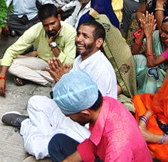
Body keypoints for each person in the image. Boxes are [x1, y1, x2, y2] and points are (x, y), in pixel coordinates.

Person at [7, 21, 119, 159]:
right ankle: (48, 132)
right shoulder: (80, 59)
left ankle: (27, 126)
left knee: (36, 146)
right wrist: (60, 81)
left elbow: (88, 110)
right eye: (78, 34)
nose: (79, 39)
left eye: (85, 36)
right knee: (35, 102)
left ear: (98, 42)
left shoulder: (101, 70)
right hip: (73, 115)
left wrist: (63, 81)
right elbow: (64, 99)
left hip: (87, 128)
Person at [48, 70, 153, 162]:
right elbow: (93, 143)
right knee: (57, 143)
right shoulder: (107, 102)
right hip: (105, 154)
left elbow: (113, 149)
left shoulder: (118, 148)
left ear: (85, 113)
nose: (69, 118)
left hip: (116, 155)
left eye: (69, 115)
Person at [77, 0, 137, 110]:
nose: (98, 9)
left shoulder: (110, 20)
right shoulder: (87, 19)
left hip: (112, 61)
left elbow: (116, 45)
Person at [0, 4, 76, 91]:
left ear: (59, 17)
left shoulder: (70, 32)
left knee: (67, 74)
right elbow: (12, 50)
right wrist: (1, 77)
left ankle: (30, 76)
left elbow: (68, 64)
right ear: (42, 23)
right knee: (11, 65)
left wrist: (53, 45)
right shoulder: (37, 29)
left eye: (53, 23)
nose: (50, 28)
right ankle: (51, 80)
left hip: (60, 68)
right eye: (46, 25)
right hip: (41, 61)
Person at [133, 14, 168, 94]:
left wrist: (149, 36)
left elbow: (152, 63)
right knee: (138, 58)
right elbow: (135, 51)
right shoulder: (157, 36)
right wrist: (143, 32)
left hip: (167, 79)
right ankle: (135, 87)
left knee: (152, 72)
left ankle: (146, 97)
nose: (162, 35)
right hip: (153, 73)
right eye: (161, 30)